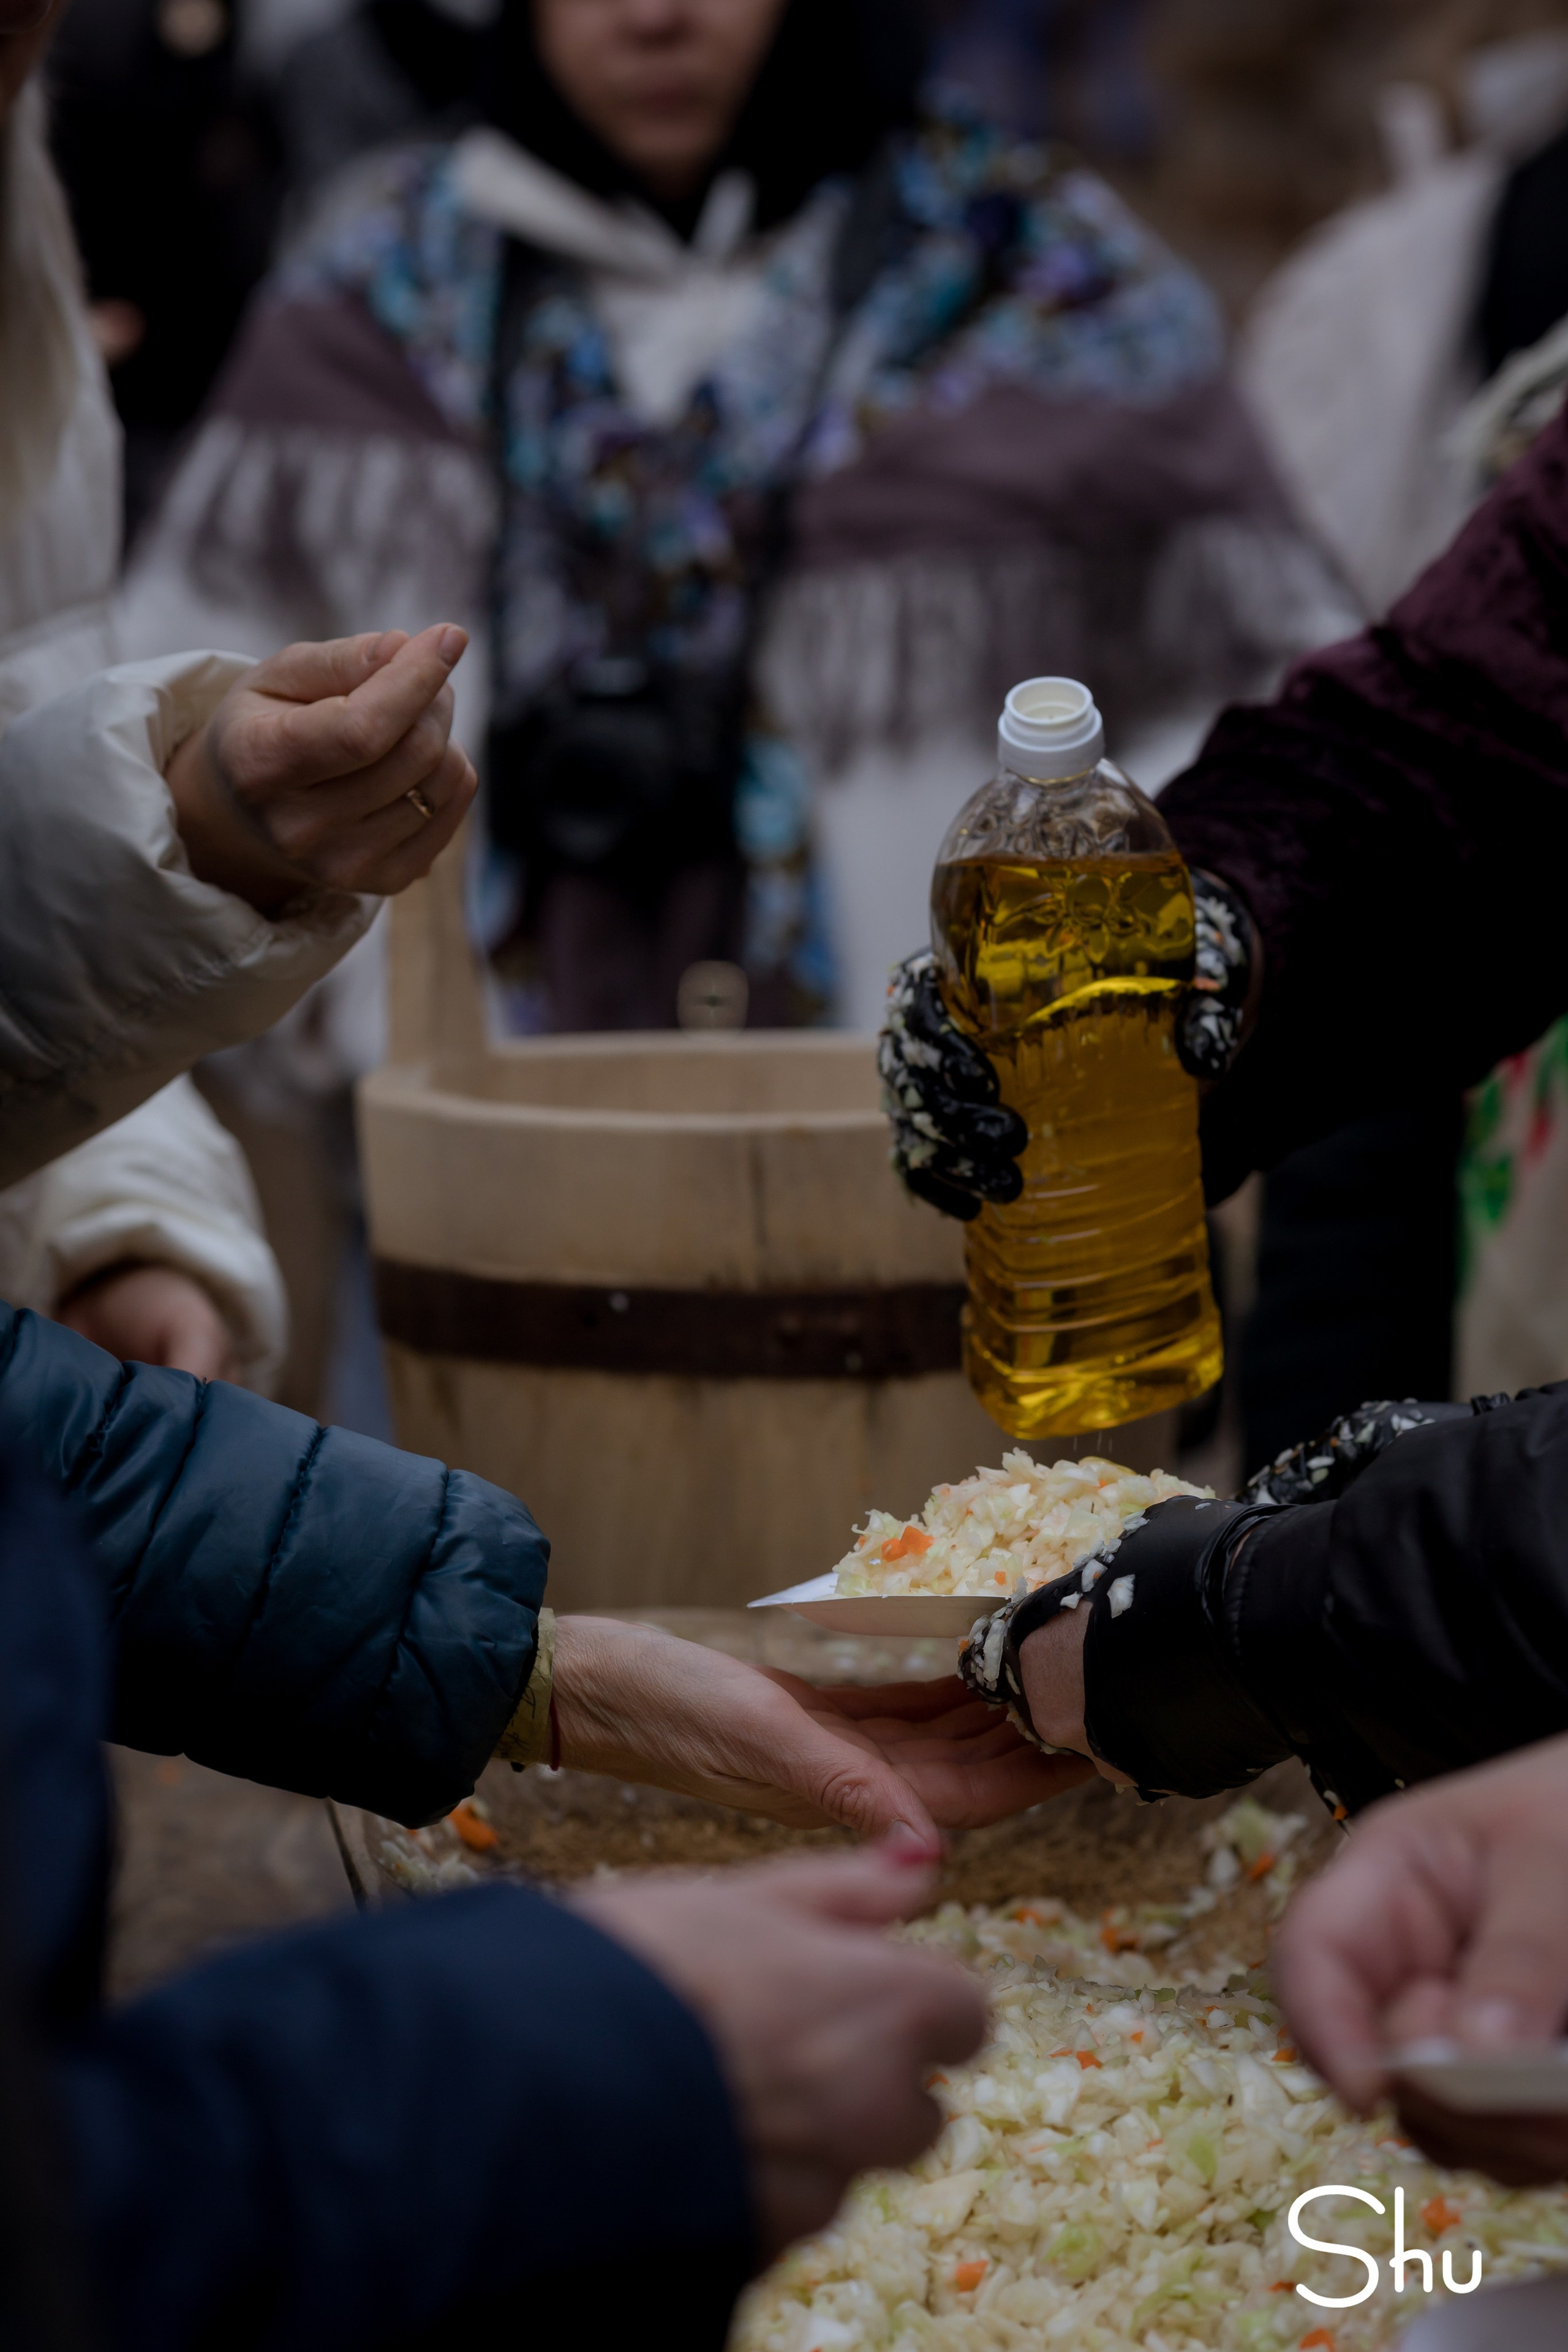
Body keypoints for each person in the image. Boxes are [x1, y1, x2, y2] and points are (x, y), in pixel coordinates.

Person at [123, 0, 1345, 1039]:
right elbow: (166, 737)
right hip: (477, 1156)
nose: (654, 17)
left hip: (949, 1144)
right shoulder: (374, 299)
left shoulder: (1044, 277)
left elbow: (1274, 734)